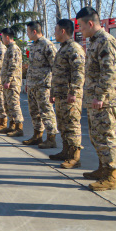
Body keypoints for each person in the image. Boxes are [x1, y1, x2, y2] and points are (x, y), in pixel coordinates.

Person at [76, 7, 116, 191]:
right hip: (97, 99)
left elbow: (110, 72)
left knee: (106, 137)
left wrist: (100, 96)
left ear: (90, 23)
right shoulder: (96, 41)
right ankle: (103, 168)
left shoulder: (106, 41)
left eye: (81, 26)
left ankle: (110, 176)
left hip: (106, 100)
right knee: (97, 136)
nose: (80, 30)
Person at [49, 19, 86, 169]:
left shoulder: (74, 48)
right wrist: (53, 92)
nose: (54, 33)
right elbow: (57, 73)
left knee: (72, 125)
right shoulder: (63, 48)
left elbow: (79, 72)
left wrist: (74, 92)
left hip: (70, 96)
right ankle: (66, 151)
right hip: (61, 95)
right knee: (63, 124)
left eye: (56, 30)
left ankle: (75, 156)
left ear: (62, 31)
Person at [24, 21, 58, 149]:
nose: (27, 34)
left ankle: (51, 138)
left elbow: (55, 67)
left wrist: (54, 90)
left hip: (44, 85)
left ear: (34, 31)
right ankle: (37, 135)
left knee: (46, 112)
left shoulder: (47, 45)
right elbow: (31, 66)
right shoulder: (33, 46)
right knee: (34, 112)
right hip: (33, 85)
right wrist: (28, 82)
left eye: (28, 32)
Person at [0, 28, 24, 137]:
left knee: (14, 104)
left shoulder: (14, 49)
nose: (2, 40)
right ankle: (12, 125)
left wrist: (8, 80)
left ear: (7, 37)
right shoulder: (9, 49)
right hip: (7, 82)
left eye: (3, 37)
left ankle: (19, 127)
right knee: (8, 104)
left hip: (13, 82)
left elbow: (13, 66)